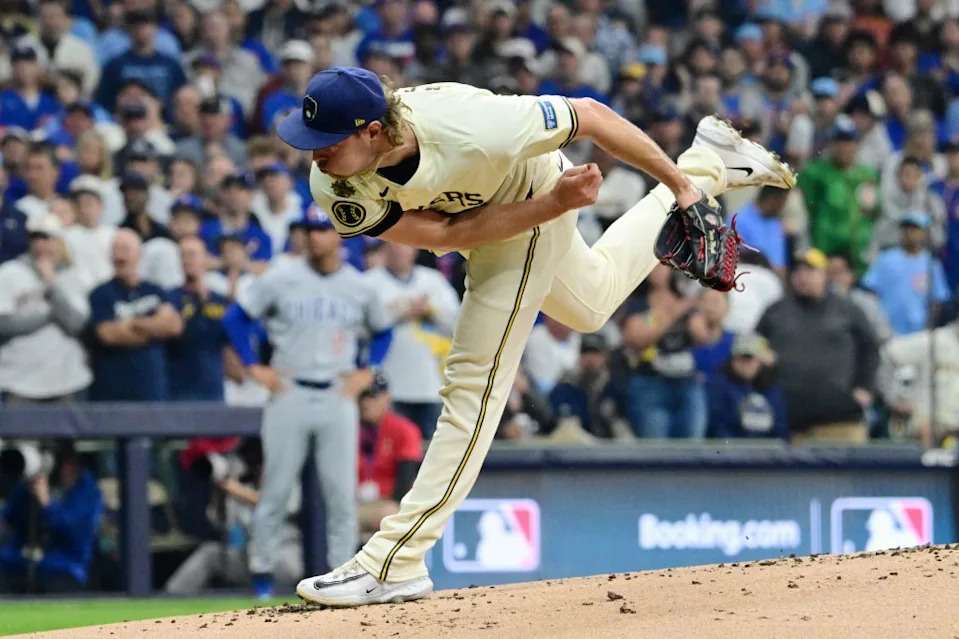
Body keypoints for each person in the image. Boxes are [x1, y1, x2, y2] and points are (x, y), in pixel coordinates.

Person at [276, 66, 795, 605]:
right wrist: (557, 208)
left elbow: (590, 114)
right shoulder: (332, 183)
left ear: (373, 133)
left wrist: (677, 191)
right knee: (593, 303)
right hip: (503, 212)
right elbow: (444, 234)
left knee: (473, 385)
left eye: (326, 143)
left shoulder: (474, 125)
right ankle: (711, 161)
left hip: (531, 183)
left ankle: (395, 559)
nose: (314, 155)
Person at [222, 207, 393, 599]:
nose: (314, 237)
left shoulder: (359, 286)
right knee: (276, 489)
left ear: (339, 235)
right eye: (309, 229)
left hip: (337, 392)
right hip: (290, 390)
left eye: (322, 229)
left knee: (340, 494)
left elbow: (383, 333)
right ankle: (261, 576)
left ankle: (341, 576)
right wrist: (253, 367)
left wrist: (369, 370)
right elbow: (235, 319)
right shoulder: (282, 279)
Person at [757, 249, 880, 443]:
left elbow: (870, 350)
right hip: (790, 422)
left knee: (848, 473)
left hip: (841, 420)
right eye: (798, 272)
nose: (803, 277)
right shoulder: (776, 311)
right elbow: (755, 346)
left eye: (810, 271)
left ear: (825, 276)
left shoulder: (847, 309)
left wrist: (864, 387)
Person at [362, 242, 459, 439]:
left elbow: (458, 324)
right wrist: (400, 312)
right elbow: (360, 329)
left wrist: (430, 310)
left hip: (431, 385)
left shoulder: (433, 280)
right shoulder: (369, 282)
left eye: (405, 245)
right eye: (394, 245)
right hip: (387, 387)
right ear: (384, 249)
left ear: (415, 249)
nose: (400, 250)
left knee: (433, 454)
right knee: (393, 456)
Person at [0, 214, 90, 402]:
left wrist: (52, 286)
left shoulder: (74, 276)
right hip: (18, 381)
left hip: (67, 381)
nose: (42, 245)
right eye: (36, 238)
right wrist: (49, 315)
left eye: (48, 238)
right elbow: (3, 324)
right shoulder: (9, 273)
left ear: (60, 242)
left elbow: (76, 324)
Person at [87, 229, 183, 401]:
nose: (119, 256)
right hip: (112, 394)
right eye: (115, 250)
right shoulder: (100, 293)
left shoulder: (154, 290)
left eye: (125, 249)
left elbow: (174, 326)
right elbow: (108, 335)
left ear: (139, 254)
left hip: (152, 391)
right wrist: (155, 328)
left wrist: (132, 324)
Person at [0, 442, 103, 593]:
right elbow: (11, 518)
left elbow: (73, 530)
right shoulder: (28, 487)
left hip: (65, 568)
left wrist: (47, 504)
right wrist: (28, 491)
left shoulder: (87, 491)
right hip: (21, 563)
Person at [862, 211, 951, 336]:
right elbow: (869, 290)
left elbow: (937, 300)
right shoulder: (885, 259)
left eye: (916, 229)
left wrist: (929, 327)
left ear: (924, 233)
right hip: (887, 331)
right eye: (907, 228)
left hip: (919, 332)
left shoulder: (931, 264)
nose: (910, 233)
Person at [357, 374, 423, 538]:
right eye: (363, 397)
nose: (366, 402)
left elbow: (405, 478)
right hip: (353, 502)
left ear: (386, 398)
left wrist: (392, 505)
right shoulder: (346, 427)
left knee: (391, 516)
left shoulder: (404, 429)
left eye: (372, 397)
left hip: (388, 502)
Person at [166, 236, 229, 402]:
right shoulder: (169, 299)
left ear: (205, 259)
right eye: (183, 255)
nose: (187, 260)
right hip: (179, 389)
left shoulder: (220, 301)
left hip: (213, 388)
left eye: (192, 254)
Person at [706, 333, 788, 440]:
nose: (745, 363)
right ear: (733, 360)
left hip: (767, 453)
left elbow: (780, 429)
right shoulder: (718, 387)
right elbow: (718, 426)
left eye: (750, 358)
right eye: (741, 358)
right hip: (730, 452)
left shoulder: (771, 390)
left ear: (760, 361)